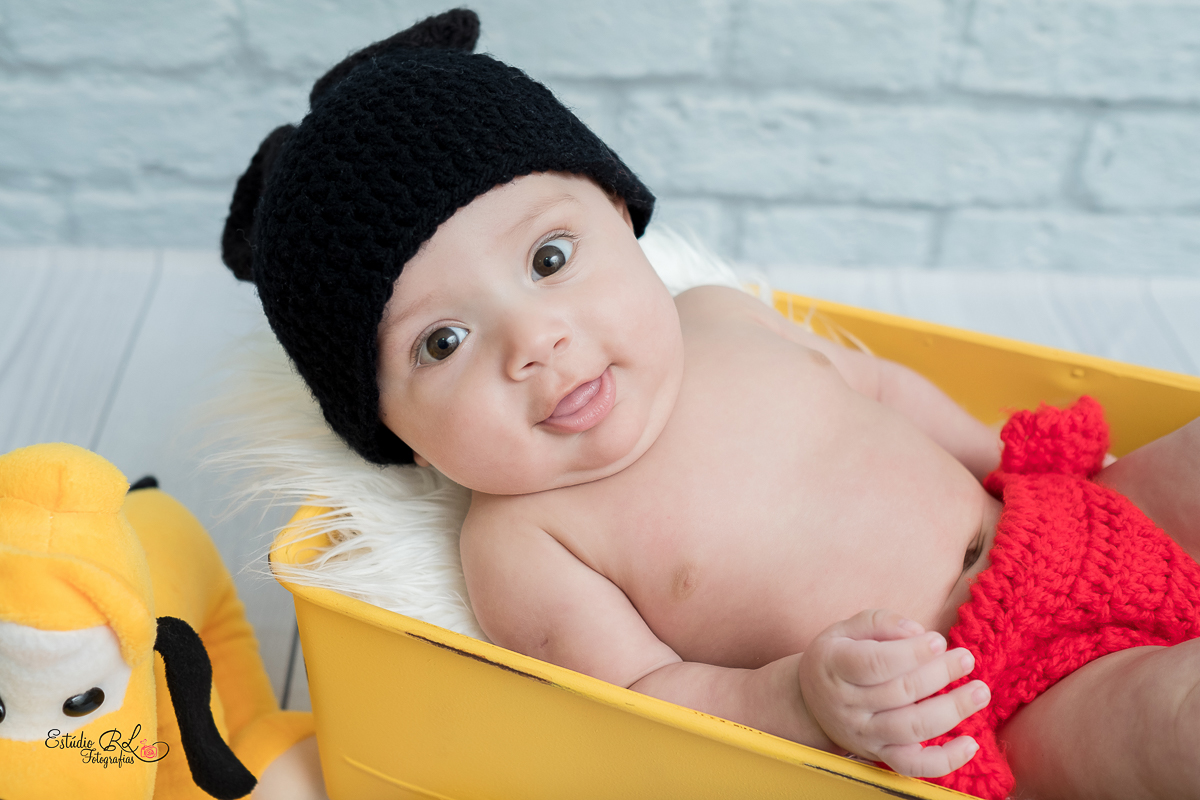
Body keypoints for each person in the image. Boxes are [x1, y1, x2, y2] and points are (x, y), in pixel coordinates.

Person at [223, 10, 1200, 799]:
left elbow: (875, 384)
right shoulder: (525, 542)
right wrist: (800, 694)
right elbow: (649, 698)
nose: (535, 342)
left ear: (620, 215)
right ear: (395, 434)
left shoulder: (719, 316)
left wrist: (1005, 454)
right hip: (987, 687)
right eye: (443, 342)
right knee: (1170, 721)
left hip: (1073, 514)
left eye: (549, 259)